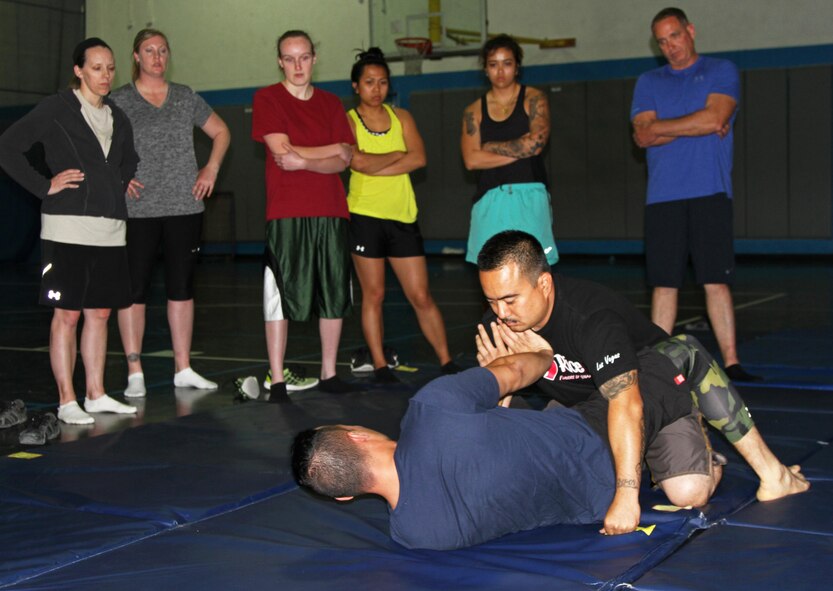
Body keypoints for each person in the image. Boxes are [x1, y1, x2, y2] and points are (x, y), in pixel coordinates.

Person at [476, 230, 809, 535]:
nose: (500, 313)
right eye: (491, 301)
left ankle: (720, 458)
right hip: (583, 411)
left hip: (648, 393)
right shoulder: (499, 324)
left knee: (689, 494)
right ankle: (648, 461)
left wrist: (626, 495)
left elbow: (627, 402)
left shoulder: (591, 317)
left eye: (509, 300)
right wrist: (505, 381)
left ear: (544, 285)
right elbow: (501, 410)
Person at [292, 331, 698, 551]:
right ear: (358, 435)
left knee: (502, 419)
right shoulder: (431, 409)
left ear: (344, 496)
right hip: (597, 436)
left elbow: (493, 480)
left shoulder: (416, 535)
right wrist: (542, 352)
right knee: (669, 354)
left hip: (593, 502)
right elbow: (519, 370)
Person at [0, 38, 140, 424]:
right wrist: (45, 186)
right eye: (96, 68)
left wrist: (115, 184)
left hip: (111, 230)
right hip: (67, 230)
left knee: (99, 314)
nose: (105, 75)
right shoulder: (56, 109)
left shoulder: (118, 116)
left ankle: (95, 393)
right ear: (78, 71)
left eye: (110, 68)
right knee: (68, 315)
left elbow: (129, 160)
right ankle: (66, 400)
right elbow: (8, 147)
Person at [631, 7, 757, 382]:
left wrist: (665, 127)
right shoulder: (648, 81)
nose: (671, 46)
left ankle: (732, 361)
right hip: (663, 196)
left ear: (691, 31)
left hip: (709, 190)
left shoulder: (721, 71)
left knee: (715, 280)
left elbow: (715, 119)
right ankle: (657, 363)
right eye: (662, 41)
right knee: (664, 283)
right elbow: (643, 135)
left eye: (676, 36)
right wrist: (698, 122)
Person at [110, 28, 231, 398]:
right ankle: (135, 371)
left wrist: (210, 168)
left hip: (184, 205)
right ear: (136, 56)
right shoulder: (119, 101)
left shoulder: (185, 97)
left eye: (163, 50)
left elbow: (222, 132)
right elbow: (95, 141)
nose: (157, 57)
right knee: (134, 291)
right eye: (149, 50)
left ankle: (184, 367)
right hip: (139, 208)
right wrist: (117, 176)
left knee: (182, 288)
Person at [251, 30, 355, 400]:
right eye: (290, 58)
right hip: (286, 212)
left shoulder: (330, 103)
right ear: (280, 60)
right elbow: (282, 152)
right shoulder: (267, 98)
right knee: (280, 292)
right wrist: (329, 152)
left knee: (333, 291)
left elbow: (344, 160)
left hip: (331, 210)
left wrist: (305, 158)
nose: (298, 65)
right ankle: (277, 379)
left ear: (314, 58)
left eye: (304, 57)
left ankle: (329, 372)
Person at [346, 48, 458, 382]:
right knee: (374, 294)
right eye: (369, 82)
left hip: (402, 217)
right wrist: (396, 153)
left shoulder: (402, 118)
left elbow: (419, 159)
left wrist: (376, 162)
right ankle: (380, 364)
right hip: (364, 216)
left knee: (420, 295)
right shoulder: (348, 121)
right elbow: (358, 162)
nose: (376, 89)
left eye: (382, 82)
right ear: (356, 86)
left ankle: (447, 360)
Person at [460, 34, 557, 266]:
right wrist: (520, 146)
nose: (500, 71)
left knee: (535, 270)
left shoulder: (534, 98)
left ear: (517, 67)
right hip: (490, 198)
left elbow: (536, 144)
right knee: (490, 271)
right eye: (493, 65)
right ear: (485, 69)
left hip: (530, 194)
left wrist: (490, 147)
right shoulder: (473, 111)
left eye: (507, 63)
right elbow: (471, 160)